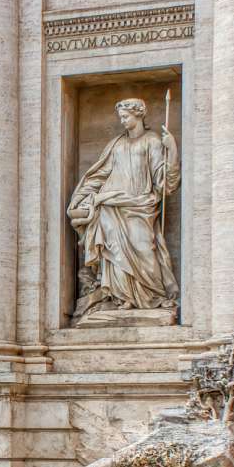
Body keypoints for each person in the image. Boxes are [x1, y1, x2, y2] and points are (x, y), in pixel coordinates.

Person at [67, 98, 180, 320]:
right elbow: (99, 175)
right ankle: (121, 297)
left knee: (144, 247)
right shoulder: (116, 144)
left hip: (140, 205)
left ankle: (151, 296)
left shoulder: (153, 141)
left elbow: (164, 181)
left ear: (139, 115)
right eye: (120, 117)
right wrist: (81, 198)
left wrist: (172, 150)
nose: (122, 120)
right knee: (115, 252)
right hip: (112, 206)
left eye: (125, 116)